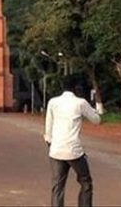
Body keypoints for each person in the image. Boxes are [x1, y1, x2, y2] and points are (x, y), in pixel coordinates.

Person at [44, 76, 101, 207]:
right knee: (85, 182)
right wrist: (94, 110)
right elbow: (97, 120)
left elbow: (48, 128)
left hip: (56, 149)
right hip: (74, 150)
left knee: (57, 186)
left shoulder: (53, 102)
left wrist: (50, 142)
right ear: (76, 88)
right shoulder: (80, 102)